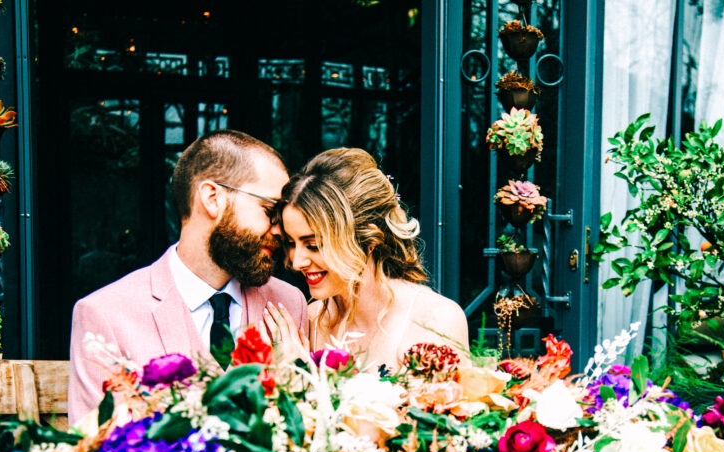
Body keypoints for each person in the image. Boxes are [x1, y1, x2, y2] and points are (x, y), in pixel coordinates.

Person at [68, 130, 307, 424]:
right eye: (270, 210)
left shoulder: (288, 304)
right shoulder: (105, 315)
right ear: (212, 198)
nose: (279, 230)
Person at [264, 147, 468, 371]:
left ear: (369, 240)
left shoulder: (436, 320)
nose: (297, 262)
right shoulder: (310, 320)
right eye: (291, 244)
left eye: (314, 245)